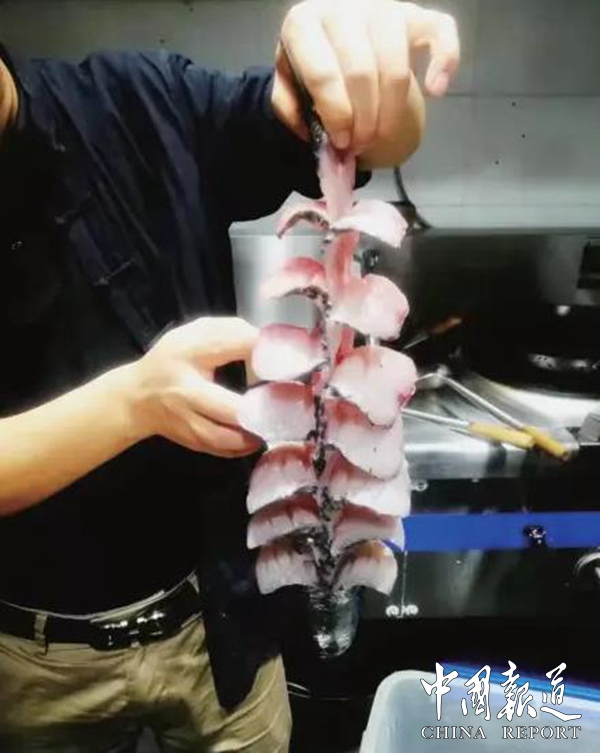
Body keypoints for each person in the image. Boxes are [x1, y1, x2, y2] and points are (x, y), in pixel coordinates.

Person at [0, 1, 459, 750]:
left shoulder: (136, 101)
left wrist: (363, 80)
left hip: (218, 622)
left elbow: (342, 129)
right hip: (30, 659)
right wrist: (134, 403)